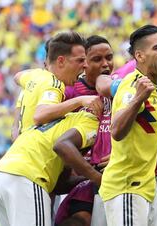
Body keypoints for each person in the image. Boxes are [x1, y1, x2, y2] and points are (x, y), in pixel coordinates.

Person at [99, 24, 157, 226]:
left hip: (143, 186)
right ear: (139, 56)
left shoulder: (150, 88)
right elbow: (117, 130)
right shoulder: (132, 83)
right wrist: (138, 99)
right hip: (127, 185)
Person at [0, 109, 103, 226]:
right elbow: (62, 146)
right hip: (26, 177)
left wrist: (86, 178)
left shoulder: (60, 122)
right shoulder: (92, 121)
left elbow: (59, 186)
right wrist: (98, 178)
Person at [56, 35, 114, 226]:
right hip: (81, 175)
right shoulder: (71, 92)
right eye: (97, 59)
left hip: (111, 172)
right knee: (80, 221)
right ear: (84, 64)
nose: (106, 64)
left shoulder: (117, 89)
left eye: (109, 57)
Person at [12, 31, 98, 136]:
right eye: (80, 60)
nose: (86, 65)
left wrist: (15, 127)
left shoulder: (35, 76)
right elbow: (40, 115)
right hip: (36, 149)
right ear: (61, 61)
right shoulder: (54, 83)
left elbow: (17, 76)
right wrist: (80, 101)